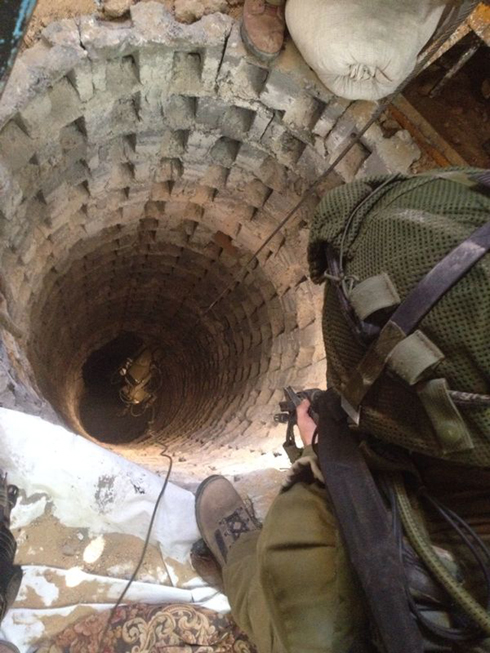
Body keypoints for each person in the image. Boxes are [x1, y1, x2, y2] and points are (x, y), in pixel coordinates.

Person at [193, 167, 490, 652]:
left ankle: (241, 555)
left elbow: (313, 636)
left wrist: (323, 464)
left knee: (277, 600)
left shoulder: (320, 546)